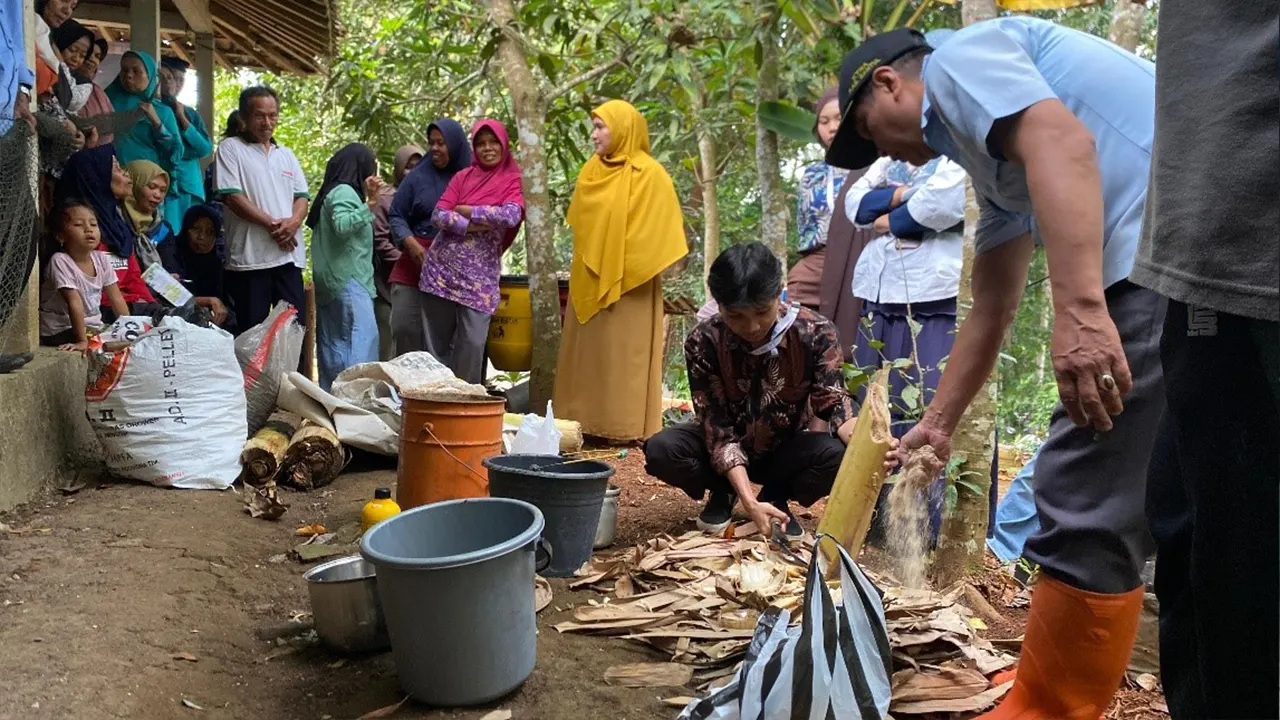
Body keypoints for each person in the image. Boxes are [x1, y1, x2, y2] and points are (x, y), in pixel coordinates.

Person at [826, 23, 1163, 718]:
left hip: (1158, 259)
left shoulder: (960, 62)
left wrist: (1080, 308)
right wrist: (939, 424)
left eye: (871, 128)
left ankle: (1047, 707)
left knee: (1083, 485)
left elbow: (1063, 143)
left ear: (891, 82)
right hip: (1175, 256)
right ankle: (1052, 683)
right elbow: (995, 296)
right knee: (1173, 497)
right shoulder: (985, 152)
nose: (883, 150)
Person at [1133, 1, 1278, 716]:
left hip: (1252, 254)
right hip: (1206, 257)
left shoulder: (976, 72)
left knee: (1240, 575)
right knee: (1189, 547)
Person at [645, 242, 856, 538]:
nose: (753, 326)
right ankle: (724, 491)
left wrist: (863, 438)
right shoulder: (703, 341)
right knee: (662, 450)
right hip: (723, 448)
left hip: (785, 450)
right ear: (718, 305)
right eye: (737, 317)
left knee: (838, 455)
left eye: (761, 311)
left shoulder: (816, 332)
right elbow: (716, 429)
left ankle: (775, 495)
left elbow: (832, 402)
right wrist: (748, 500)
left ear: (779, 291)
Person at [844, 152, 970, 542]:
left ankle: (930, 531)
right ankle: (871, 521)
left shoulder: (958, 150)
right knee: (876, 401)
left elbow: (940, 206)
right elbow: (855, 205)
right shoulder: (884, 158)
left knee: (930, 401)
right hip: (880, 294)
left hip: (935, 295)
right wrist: (906, 194)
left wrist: (887, 212)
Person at [553, 100, 687, 442]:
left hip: (633, 286)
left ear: (624, 129)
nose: (593, 134)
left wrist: (626, 266)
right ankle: (581, 425)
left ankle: (624, 429)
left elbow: (660, 233)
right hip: (589, 280)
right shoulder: (591, 171)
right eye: (593, 126)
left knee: (625, 358)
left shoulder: (650, 175)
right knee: (589, 356)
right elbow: (585, 228)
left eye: (600, 127)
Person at [55, 145, 228, 325]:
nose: (127, 178)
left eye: (162, 190)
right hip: (106, 312)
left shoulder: (125, 229)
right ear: (98, 177)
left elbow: (140, 278)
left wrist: (158, 304)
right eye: (151, 186)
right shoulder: (89, 230)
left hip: (142, 303)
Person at [420, 119, 524, 383]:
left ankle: (464, 404)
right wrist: (470, 227)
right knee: (436, 347)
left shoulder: (513, 179)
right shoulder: (463, 177)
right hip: (441, 273)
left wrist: (467, 209)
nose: (487, 148)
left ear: (504, 145)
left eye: (493, 142)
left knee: (473, 342)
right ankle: (435, 401)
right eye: (480, 143)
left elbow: (510, 216)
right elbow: (438, 215)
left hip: (480, 278)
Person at [214, 85, 309, 331]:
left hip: (288, 258)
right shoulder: (230, 148)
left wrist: (293, 223)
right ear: (244, 117)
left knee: (293, 330)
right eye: (259, 115)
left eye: (272, 115)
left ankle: (292, 373)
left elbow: (301, 198)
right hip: (249, 261)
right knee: (251, 334)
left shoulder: (286, 154)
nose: (267, 122)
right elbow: (232, 197)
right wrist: (274, 226)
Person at [387, 119, 470, 354]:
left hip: (455, 269)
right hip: (415, 261)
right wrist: (410, 243)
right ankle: (405, 388)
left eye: (441, 143)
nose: (434, 148)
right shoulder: (418, 176)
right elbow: (396, 214)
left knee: (444, 341)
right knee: (404, 327)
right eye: (431, 143)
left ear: (454, 145)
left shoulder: (472, 175)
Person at [307, 143, 383, 389]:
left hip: (331, 283)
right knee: (361, 343)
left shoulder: (331, 193)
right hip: (349, 281)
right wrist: (370, 204)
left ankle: (332, 405)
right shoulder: (344, 193)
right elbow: (342, 226)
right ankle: (356, 403)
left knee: (334, 349)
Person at [38, 199, 129, 350]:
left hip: (92, 326)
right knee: (109, 344)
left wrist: (129, 327)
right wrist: (81, 341)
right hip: (61, 328)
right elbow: (74, 302)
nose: (89, 229)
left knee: (128, 338)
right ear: (60, 236)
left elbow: (116, 298)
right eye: (78, 225)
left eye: (93, 224)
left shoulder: (101, 259)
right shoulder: (60, 261)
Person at [787, 88, 848, 310]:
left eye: (839, 118)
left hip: (860, 257)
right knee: (794, 311)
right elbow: (805, 228)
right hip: (819, 260)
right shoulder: (812, 175)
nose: (832, 127)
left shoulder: (876, 164)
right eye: (824, 121)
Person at [371, 143, 423, 359]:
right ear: (398, 168)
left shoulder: (426, 195)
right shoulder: (386, 198)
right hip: (388, 282)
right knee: (388, 340)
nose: (413, 173)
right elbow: (380, 240)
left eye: (419, 167)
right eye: (408, 167)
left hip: (421, 278)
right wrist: (407, 259)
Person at [104, 50, 183, 177]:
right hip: (109, 178)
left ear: (150, 75)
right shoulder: (107, 103)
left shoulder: (162, 111)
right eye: (124, 70)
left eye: (136, 71)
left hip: (146, 183)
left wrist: (156, 122)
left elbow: (176, 153)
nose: (129, 75)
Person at [157, 56, 212, 227]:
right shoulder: (154, 109)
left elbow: (204, 148)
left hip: (189, 186)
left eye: (181, 80)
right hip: (164, 183)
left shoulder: (190, 113)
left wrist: (181, 117)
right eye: (168, 78)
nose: (175, 84)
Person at [174, 204, 235, 333]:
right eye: (196, 229)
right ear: (186, 229)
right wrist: (207, 301)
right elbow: (169, 298)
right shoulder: (172, 257)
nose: (201, 237)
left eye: (210, 232)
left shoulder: (218, 264)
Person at [122, 159, 178, 271]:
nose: (158, 195)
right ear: (134, 184)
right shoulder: (115, 221)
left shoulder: (162, 228)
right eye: (152, 187)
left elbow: (170, 266)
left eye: (162, 190)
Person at [74, 36, 112, 143]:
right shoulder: (62, 86)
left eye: (97, 56)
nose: (92, 59)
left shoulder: (99, 93)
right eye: (88, 53)